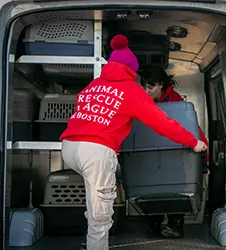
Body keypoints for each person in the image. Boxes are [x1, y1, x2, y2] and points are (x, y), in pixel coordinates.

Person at [60, 35, 207, 250]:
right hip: (96, 151)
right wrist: (193, 142)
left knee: (95, 198)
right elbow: (162, 123)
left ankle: (92, 230)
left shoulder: (93, 86)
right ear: (131, 70)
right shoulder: (131, 91)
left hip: (69, 148)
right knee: (101, 215)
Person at [139, 65, 209, 239]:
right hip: (154, 152)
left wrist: (203, 157)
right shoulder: (149, 100)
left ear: (160, 85)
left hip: (174, 152)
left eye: (150, 87)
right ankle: (155, 224)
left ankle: (174, 225)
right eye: (144, 87)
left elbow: (190, 128)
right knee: (154, 188)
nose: (146, 91)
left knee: (173, 189)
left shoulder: (175, 101)